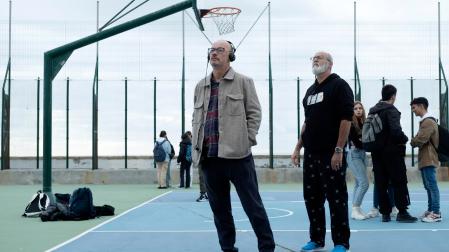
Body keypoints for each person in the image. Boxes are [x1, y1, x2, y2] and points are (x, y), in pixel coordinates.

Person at [192, 40, 275, 252]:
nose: (214, 53)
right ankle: (227, 248)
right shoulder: (200, 85)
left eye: (220, 50)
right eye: (212, 50)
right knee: (220, 210)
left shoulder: (244, 82)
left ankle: (267, 247)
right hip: (209, 158)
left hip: (238, 157)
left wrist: (247, 140)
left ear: (231, 55)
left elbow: (254, 113)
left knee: (253, 207)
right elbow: (196, 118)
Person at [291, 51, 353, 252]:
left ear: (330, 64)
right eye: (313, 58)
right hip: (311, 153)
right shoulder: (309, 92)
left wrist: (338, 149)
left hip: (331, 152)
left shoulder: (339, 86)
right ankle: (316, 239)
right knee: (312, 197)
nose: (315, 60)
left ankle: (341, 242)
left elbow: (346, 119)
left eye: (320, 58)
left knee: (336, 198)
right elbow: (307, 123)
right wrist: (298, 146)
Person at [368, 84, 417, 223]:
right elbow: (396, 132)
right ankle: (402, 212)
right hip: (392, 152)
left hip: (376, 153)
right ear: (393, 96)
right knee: (399, 181)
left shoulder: (373, 110)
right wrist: (405, 139)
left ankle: (385, 214)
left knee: (381, 182)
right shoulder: (391, 110)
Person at [410, 97, 442, 222]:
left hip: (429, 158)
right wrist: (415, 140)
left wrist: (413, 141)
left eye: (414, 107)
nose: (413, 111)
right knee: (428, 186)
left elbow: (419, 139)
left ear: (421, 106)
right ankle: (431, 210)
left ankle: (436, 212)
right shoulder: (425, 122)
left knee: (432, 186)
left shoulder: (428, 122)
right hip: (425, 158)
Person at [347, 101, 369, 220]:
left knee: (358, 183)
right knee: (364, 183)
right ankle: (355, 208)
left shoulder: (365, 123)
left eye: (360, 108)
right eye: (356, 108)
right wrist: (370, 145)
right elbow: (356, 141)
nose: (358, 110)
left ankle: (356, 209)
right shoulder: (350, 123)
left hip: (363, 154)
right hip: (354, 153)